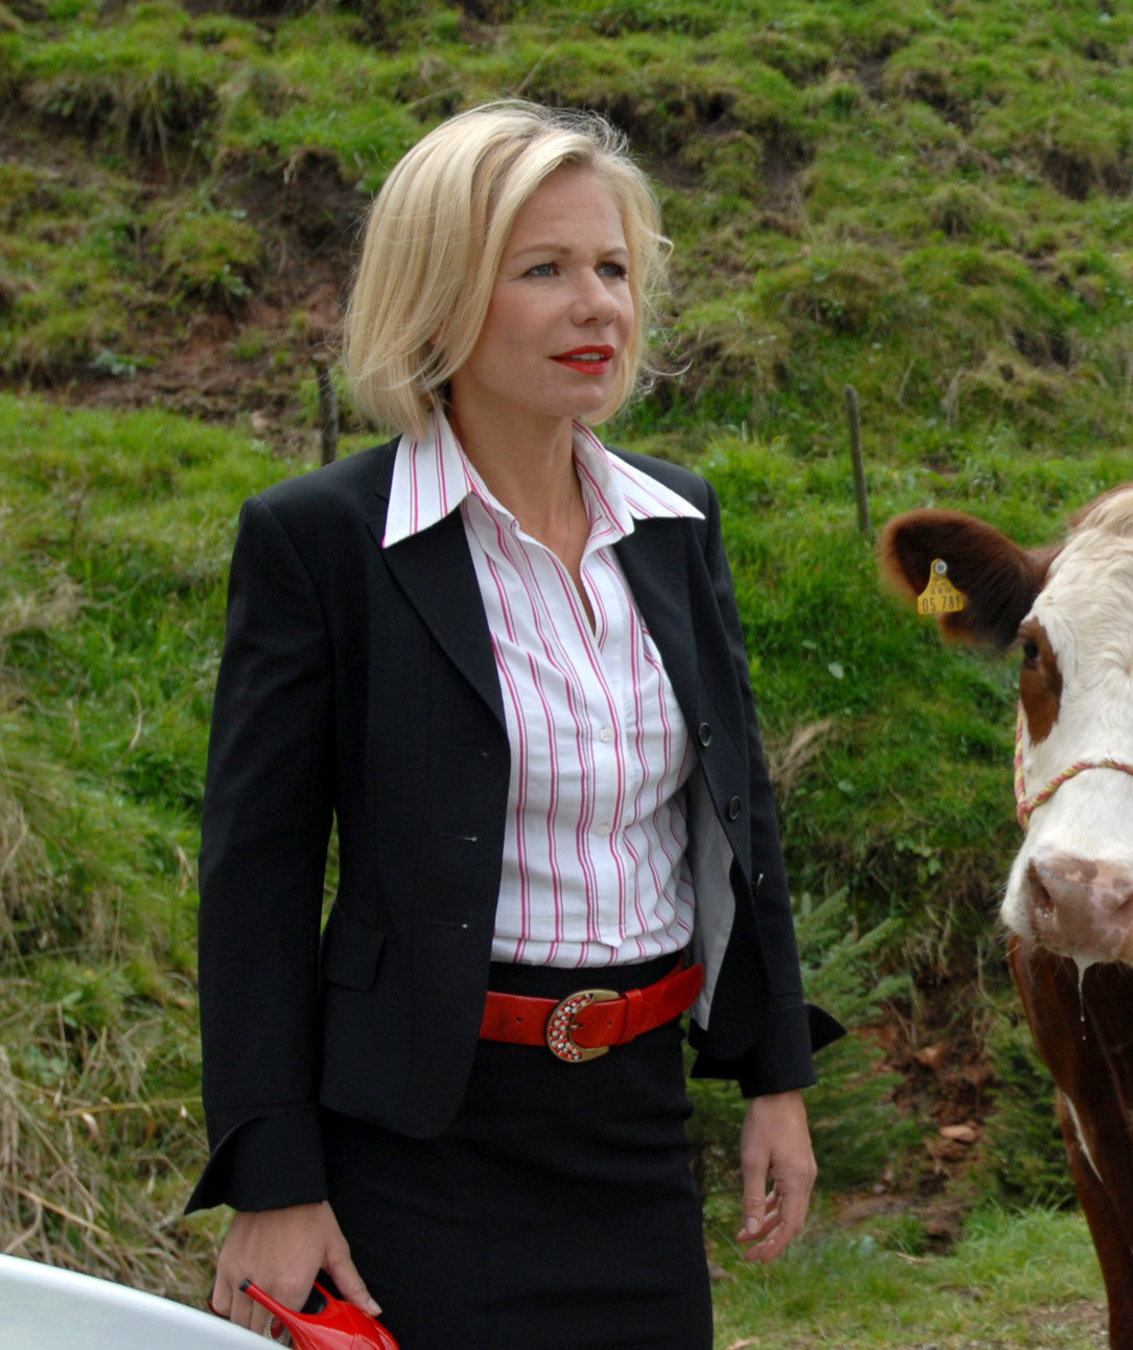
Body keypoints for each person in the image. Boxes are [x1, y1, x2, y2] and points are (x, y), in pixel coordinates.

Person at [188, 101, 842, 1348]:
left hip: (636, 1133)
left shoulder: (677, 524)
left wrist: (775, 1077)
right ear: (438, 295)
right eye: (542, 270)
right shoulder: (321, 542)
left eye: (612, 269)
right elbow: (256, 880)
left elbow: (735, 813)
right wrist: (274, 1180)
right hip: (420, 1151)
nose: (596, 306)